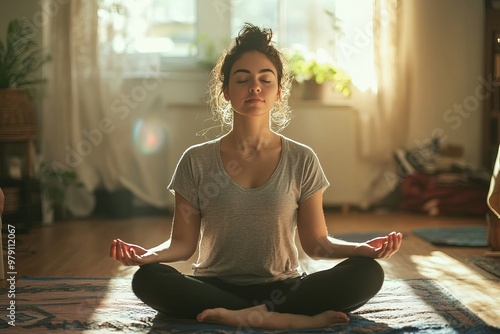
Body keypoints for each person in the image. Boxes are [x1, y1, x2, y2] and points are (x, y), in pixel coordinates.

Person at [110, 23, 403, 330]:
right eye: (242, 79)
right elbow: (182, 244)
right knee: (148, 278)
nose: (255, 87)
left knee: (368, 272)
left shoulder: (302, 159)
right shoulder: (195, 160)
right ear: (225, 91)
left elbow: (316, 244)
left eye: (265, 79)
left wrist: (363, 250)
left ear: (278, 92)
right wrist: (148, 255)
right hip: (213, 287)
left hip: (283, 290)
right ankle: (284, 321)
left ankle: (240, 316)